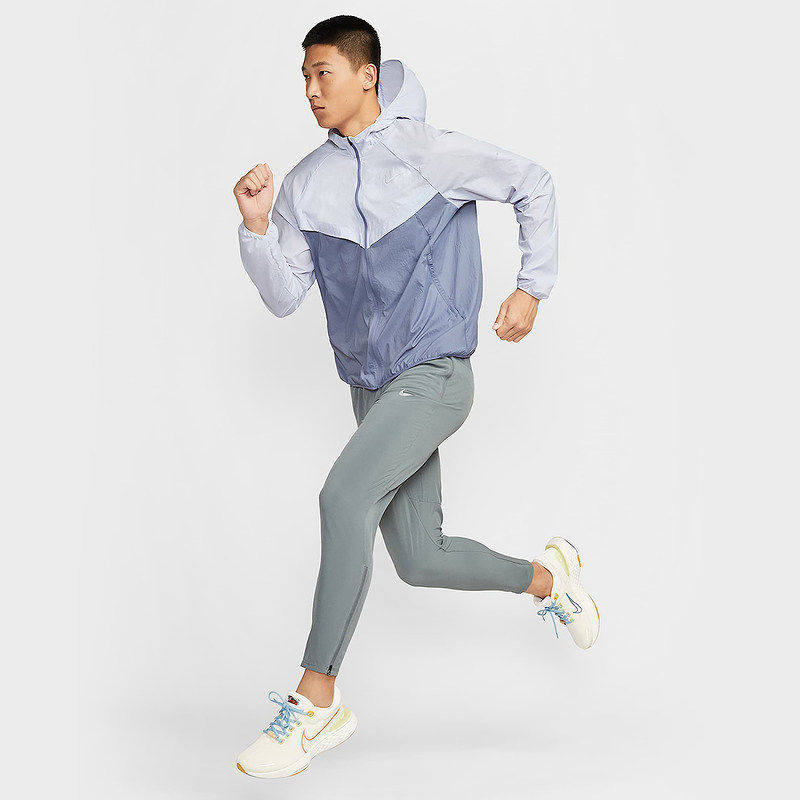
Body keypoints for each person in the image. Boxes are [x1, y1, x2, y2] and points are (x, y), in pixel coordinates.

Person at [231, 15, 600, 779]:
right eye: (304, 76)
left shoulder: (429, 151)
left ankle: (316, 699)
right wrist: (258, 228)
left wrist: (532, 288)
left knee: (342, 499)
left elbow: (532, 182)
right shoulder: (304, 184)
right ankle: (549, 578)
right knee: (420, 558)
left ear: (366, 75)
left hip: (435, 375)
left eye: (324, 73)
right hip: (371, 392)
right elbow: (283, 295)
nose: (311, 90)